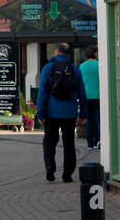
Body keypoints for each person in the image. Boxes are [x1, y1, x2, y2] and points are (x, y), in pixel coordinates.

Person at [36, 42, 87, 182]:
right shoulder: (75, 69)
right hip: (69, 112)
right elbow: (82, 93)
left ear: (57, 52)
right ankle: (67, 174)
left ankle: (50, 168)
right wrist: (83, 114)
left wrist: (40, 112)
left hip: (51, 112)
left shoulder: (48, 67)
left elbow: (42, 92)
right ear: (69, 53)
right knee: (69, 143)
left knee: (49, 141)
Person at [79, 45, 100, 149]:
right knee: (98, 120)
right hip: (98, 96)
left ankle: (90, 143)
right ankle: (98, 141)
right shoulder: (100, 65)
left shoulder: (82, 66)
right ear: (95, 53)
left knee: (89, 121)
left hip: (86, 97)